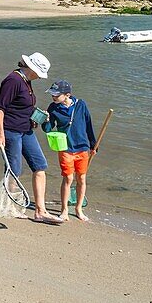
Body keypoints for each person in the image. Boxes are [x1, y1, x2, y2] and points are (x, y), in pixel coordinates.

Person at [0, 52, 60, 223]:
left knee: (40, 165)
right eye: (39, 73)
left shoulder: (26, 81)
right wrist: (0, 134)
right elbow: (0, 108)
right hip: (12, 131)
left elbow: (22, 106)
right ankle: (10, 206)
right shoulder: (13, 80)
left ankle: (40, 211)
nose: (39, 77)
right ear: (31, 68)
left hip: (27, 130)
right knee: (14, 170)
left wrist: (34, 117)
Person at [42, 80, 97, 222]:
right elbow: (48, 130)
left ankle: (78, 209)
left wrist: (93, 145)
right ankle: (64, 210)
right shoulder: (53, 108)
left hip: (82, 147)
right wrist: (46, 120)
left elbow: (89, 124)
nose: (53, 97)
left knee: (82, 178)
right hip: (65, 148)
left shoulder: (81, 105)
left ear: (67, 95)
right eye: (52, 94)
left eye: (56, 94)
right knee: (68, 178)